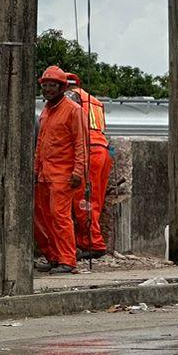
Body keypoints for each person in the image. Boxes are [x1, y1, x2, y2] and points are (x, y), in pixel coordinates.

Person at [33, 65, 88, 274]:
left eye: (52, 85)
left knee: (61, 218)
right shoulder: (46, 111)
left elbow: (81, 143)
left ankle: (67, 259)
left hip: (63, 176)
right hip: (46, 175)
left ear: (62, 88)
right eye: (45, 85)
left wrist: (78, 172)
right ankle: (55, 257)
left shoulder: (74, 111)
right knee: (46, 218)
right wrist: (36, 170)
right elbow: (41, 143)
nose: (47, 89)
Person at [66, 73, 111, 260]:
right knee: (95, 201)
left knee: (83, 200)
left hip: (89, 151)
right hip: (103, 150)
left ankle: (94, 244)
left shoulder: (71, 97)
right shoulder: (96, 102)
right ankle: (89, 241)